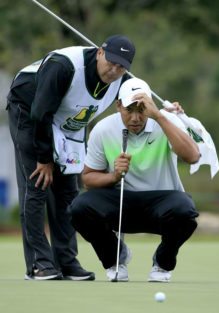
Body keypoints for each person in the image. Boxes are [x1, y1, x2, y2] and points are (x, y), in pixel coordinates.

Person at [6, 34, 135, 280]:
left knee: (67, 192)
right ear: (99, 52)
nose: (114, 70)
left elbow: (140, 102)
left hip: (68, 122)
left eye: (121, 67)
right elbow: (41, 114)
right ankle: (39, 264)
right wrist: (44, 160)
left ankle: (66, 262)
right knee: (37, 186)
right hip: (29, 109)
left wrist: (168, 112)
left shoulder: (124, 81)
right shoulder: (63, 66)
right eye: (111, 62)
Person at [68, 77, 201, 282]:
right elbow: (88, 179)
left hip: (161, 204)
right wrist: (113, 175)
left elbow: (193, 156)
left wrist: (159, 116)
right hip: (121, 204)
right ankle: (115, 257)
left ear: (150, 106)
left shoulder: (165, 121)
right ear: (118, 105)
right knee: (79, 208)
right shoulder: (103, 129)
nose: (136, 118)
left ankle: (162, 263)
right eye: (129, 110)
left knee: (186, 210)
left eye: (142, 109)